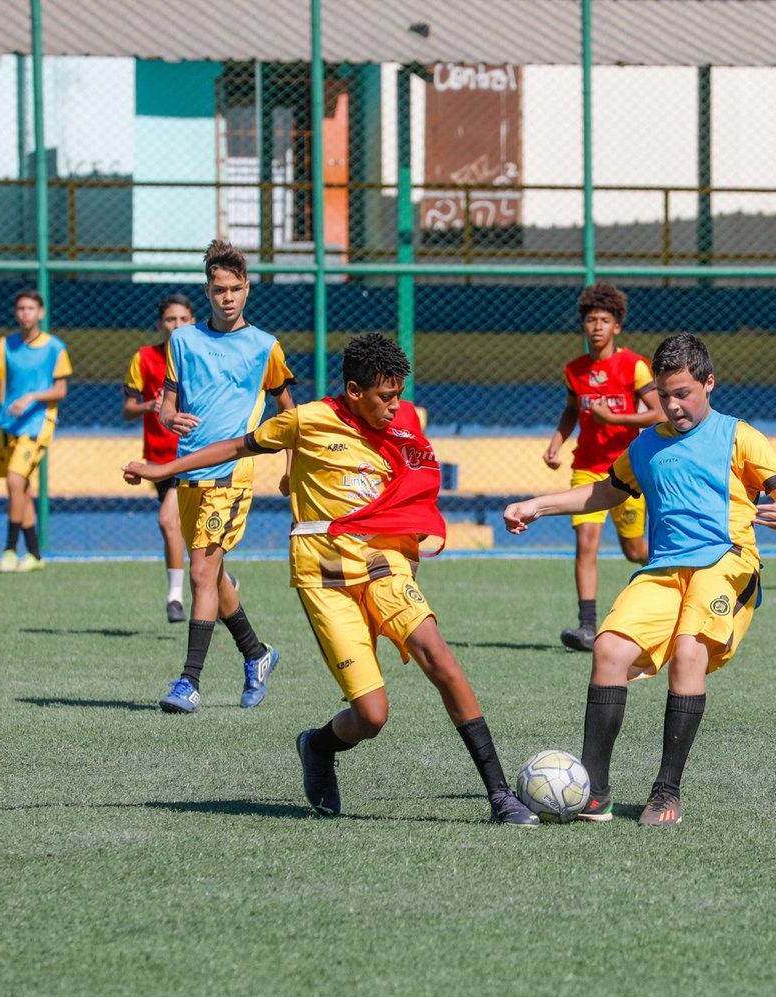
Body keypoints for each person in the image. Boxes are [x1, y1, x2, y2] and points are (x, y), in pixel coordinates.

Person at [124, 333, 538, 825]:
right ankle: (317, 746)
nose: (395, 406)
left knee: (440, 657)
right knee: (371, 716)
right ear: (354, 390)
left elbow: (416, 481)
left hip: (384, 564)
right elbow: (236, 446)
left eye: (399, 394)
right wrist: (163, 468)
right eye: (386, 396)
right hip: (324, 577)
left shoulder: (401, 422)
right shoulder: (308, 420)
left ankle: (499, 796)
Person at [505, 333, 776, 827]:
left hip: (725, 561)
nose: (672, 405)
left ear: (709, 384)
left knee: (688, 653)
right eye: (665, 395)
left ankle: (666, 792)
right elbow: (605, 492)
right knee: (609, 649)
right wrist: (538, 505)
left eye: (683, 393)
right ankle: (594, 793)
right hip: (664, 569)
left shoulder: (738, 436)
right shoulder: (646, 444)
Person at [153, 240, 293, 715]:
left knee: (200, 572)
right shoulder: (183, 341)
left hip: (232, 475)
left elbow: (287, 412)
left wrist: (293, 467)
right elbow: (168, 403)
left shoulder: (265, 347)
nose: (227, 297)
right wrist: (169, 418)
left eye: (235, 289)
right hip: (190, 469)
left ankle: (189, 682)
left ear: (247, 289)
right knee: (212, 575)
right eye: (218, 290)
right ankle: (257, 654)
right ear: (208, 291)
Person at [541, 284, 663, 651]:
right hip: (588, 468)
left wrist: (615, 417)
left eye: (604, 320)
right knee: (586, 544)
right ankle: (588, 627)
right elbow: (570, 411)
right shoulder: (574, 371)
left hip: (628, 469)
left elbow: (657, 413)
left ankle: (668, 597)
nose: (596, 326)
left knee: (635, 551)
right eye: (591, 320)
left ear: (617, 327)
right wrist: (556, 442)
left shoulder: (635, 366)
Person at [0, 289, 71, 573]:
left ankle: (9, 549)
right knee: (19, 489)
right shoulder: (5, 345)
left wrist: (32, 398)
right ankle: (34, 554)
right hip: (9, 424)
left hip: (37, 425)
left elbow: (60, 390)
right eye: (21, 308)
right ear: (16, 313)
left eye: (31, 308)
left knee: (14, 480)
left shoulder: (55, 348)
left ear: (41, 313)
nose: (26, 313)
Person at [123, 294, 196, 622]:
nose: (176, 325)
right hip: (158, 460)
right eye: (170, 320)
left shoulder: (201, 358)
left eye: (182, 319)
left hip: (195, 455)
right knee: (189, 534)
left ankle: (174, 598)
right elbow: (127, 409)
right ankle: (223, 583)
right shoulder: (145, 358)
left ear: (192, 322)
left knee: (169, 522)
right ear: (160, 324)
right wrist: (146, 407)